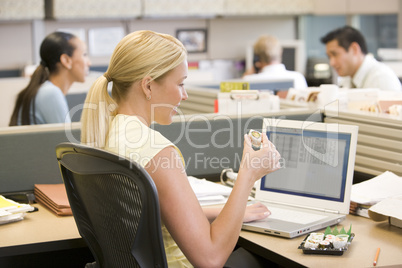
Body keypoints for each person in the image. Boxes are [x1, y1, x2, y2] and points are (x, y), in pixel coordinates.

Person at [81, 30, 281, 268]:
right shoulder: (155, 150)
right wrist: (248, 174)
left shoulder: (110, 133)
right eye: (180, 83)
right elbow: (210, 258)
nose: (185, 95)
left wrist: (231, 211)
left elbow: (150, 215)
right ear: (147, 86)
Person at [9, 31, 91, 126]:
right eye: (84, 55)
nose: (89, 63)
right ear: (66, 60)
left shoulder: (46, 90)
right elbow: (66, 138)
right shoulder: (51, 93)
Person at [320, 25, 401, 91]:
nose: (332, 63)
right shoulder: (348, 78)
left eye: (335, 54)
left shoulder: (380, 79)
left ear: (354, 49)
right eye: (329, 56)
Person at [243, 35, 308, 89]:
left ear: (257, 57)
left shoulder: (248, 81)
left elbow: (238, 102)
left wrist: (245, 76)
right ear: (280, 52)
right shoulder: (298, 78)